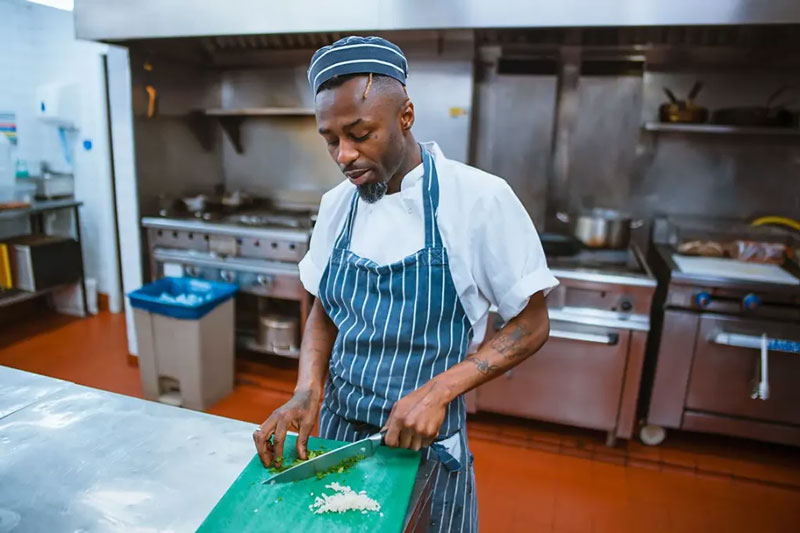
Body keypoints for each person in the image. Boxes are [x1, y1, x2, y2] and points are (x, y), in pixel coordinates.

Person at [253, 35, 558, 532]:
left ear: (406, 116)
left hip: (425, 450)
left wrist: (440, 391)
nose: (344, 155)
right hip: (335, 441)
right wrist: (308, 389)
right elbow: (325, 310)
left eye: (360, 133)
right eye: (331, 139)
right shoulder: (337, 206)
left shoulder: (478, 199)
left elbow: (533, 323)